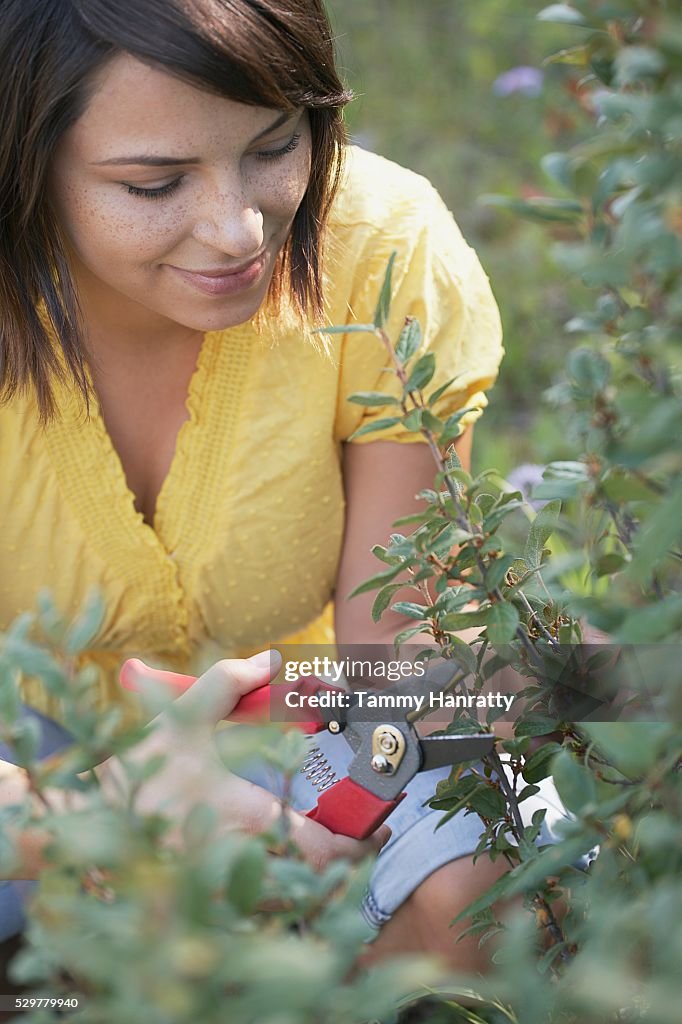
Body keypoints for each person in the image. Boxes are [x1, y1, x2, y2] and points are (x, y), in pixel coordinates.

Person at [0, 0, 505, 968]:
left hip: (298, 736)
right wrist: (97, 815)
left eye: (276, 145)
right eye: (152, 184)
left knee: (477, 892)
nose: (238, 230)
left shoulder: (377, 250)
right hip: (31, 769)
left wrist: (331, 798)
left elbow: (403, 655)